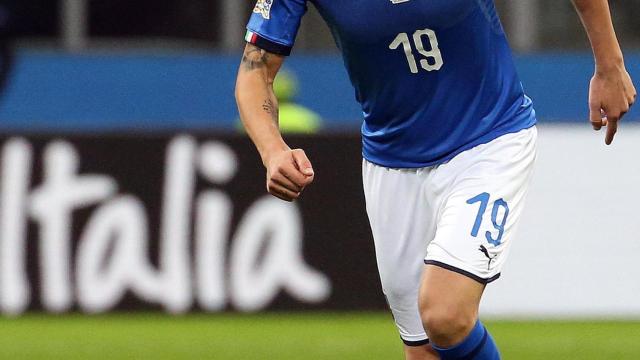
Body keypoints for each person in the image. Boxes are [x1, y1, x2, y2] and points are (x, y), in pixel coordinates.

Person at [235, 1, 636, 359]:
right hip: (391, 165)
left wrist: (609, 65)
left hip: (488, 140)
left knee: (444, 314)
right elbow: (255, 72)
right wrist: (273, 152)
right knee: (424, 349)